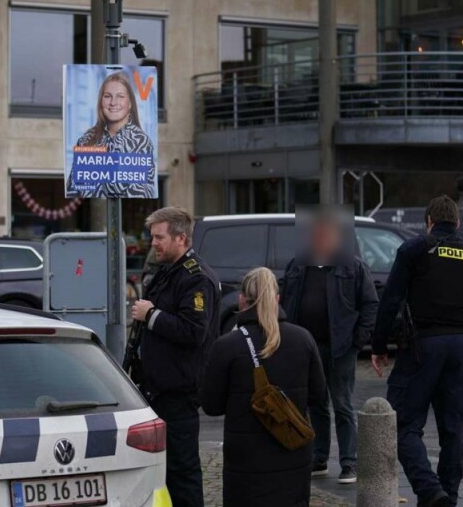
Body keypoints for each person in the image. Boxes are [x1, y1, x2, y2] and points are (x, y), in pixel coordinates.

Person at [370, 195, 463, 507]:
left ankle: (430, 491)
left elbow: (390, 300)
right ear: (457, 223)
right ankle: (448, 498)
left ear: (429, 222)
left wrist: (378, 346)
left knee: (402, 426)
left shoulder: (416, 249)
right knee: (453, 430)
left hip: (421, 347)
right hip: (457, 349)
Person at [201, 267, 325, 507]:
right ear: (277, 299)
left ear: (241, 300)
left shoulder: (226, 346)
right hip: (293, 454)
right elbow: (319, 397)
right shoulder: (304, 339)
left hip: (246, 462)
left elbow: (211, 405)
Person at [131, 206, 219, 507]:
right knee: (160, 471)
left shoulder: (196, 278)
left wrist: (151, 314)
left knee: (182, 473)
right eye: (152, 237)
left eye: (159, 237)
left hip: (178, 392)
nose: (153, 243)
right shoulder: (168, 271)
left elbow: (194, 330)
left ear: (181, 238)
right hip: (155, 389)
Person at [280, 216, 379, 484]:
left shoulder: (353, 267)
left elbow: (370, 304)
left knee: (343, 404)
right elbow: (285, 299)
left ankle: (349, 463)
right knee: (316, 404)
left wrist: (358, 339)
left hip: (341, 348)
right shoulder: (298, 265)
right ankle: (319, 458)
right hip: (307, 347)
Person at [67, 71, 156, 198]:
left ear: (130, 104)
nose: (113, 102)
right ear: (100, 101)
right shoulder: (86, 140)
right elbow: (74, 189)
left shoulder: (141, 142)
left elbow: (141, 192)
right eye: (107, 96)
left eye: (120, 96)